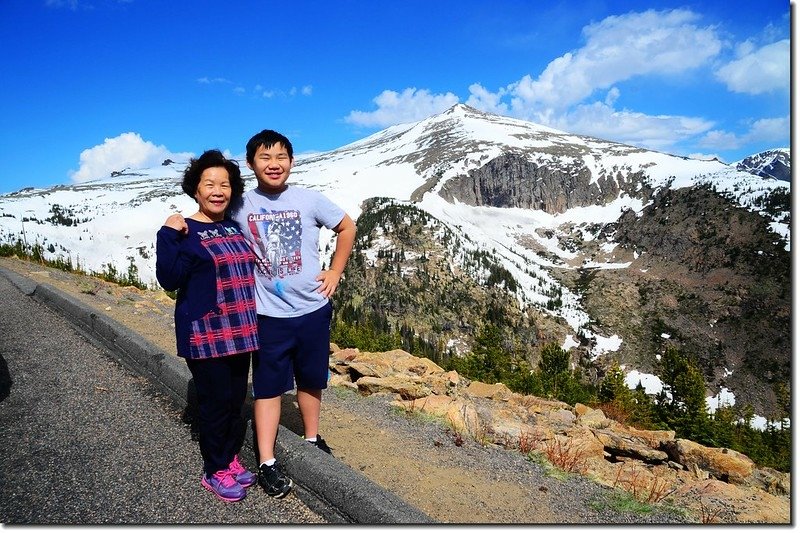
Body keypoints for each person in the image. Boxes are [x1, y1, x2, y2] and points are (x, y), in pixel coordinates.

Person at [229, 129, 356, 499]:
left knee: (311, 378)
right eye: (265, 158)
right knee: (268, 388)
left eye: (281, 157)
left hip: (313, 309)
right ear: (251, 163)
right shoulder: (240, 204)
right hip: (267, 315)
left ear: (292, 161)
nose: (274, 164)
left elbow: (347, 226)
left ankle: (312, 439)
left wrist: (335, 271)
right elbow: (210, 218)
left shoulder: (309, 199)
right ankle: (266, 460)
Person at [155, 149, 259, 503]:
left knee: (233, 401)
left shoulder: (232, 225)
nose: (218, 190)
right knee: (215, 403)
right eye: (210, 184)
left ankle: (228, 458)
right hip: (206, 332)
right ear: (195, 190)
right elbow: (168, 278)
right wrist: (168, 233)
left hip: (241, 329)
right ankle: (214, 471)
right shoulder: (185, 229)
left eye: (225, 184)